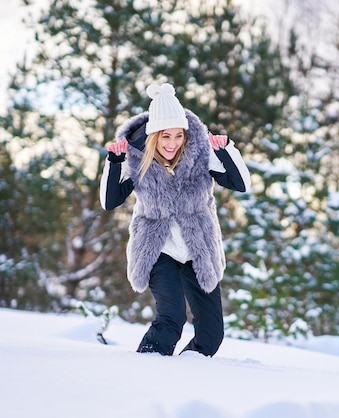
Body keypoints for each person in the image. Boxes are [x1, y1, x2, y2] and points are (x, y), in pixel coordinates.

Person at [100, 83, 251, 357]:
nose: (172, 143)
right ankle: (148, 368)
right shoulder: (135, 159)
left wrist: (227, 150)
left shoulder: (201, 154)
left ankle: (187, 370)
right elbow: (109, 201)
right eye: (165, 136)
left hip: (198, 252)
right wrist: (113, 162)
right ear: (153, 135)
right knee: (171, 319)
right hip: (159, 251)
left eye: (178, 136)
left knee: (211, 334)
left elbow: (239, 183)